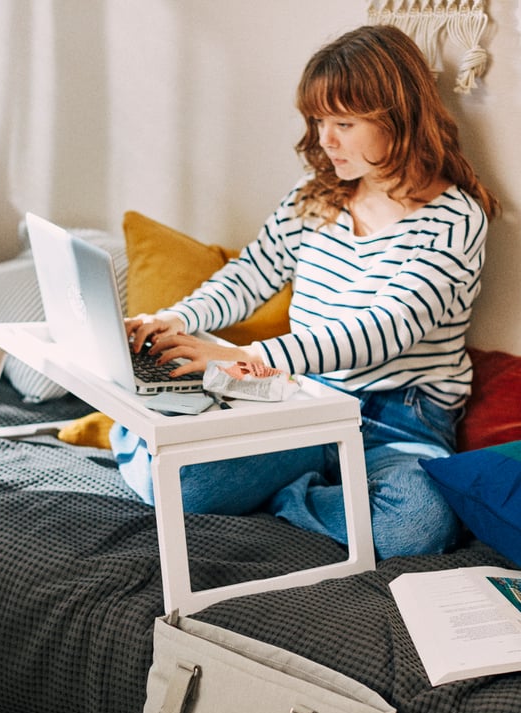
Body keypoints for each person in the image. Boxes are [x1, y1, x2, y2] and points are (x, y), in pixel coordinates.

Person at [111, 24, 500, 559]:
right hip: (303, 398)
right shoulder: (315, 196)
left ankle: (288, 496)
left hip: (398, 418)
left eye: (343, 122)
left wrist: (247, 355)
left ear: (399, 118)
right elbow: (252, 274)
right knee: (180, 484)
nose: (325, 139)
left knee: (417, 527)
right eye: (319, 121)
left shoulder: (456, 220)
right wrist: (178, 319)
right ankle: (320, 493)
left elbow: (384, 329)